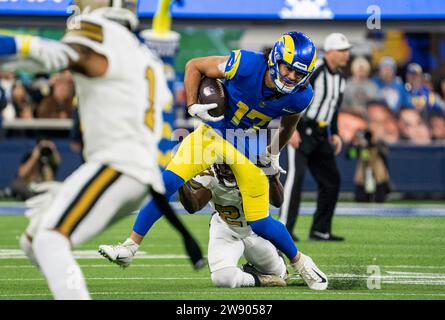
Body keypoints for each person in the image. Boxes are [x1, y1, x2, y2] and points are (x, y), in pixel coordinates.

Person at [99, 31, 329, 290]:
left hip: (246, 146)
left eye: (299, 74)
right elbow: (194, 66)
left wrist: (272, 153)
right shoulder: (247, 63)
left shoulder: (300, 95)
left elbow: (288, 126)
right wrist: (192, 104)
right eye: (288, 69)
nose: (291, 77)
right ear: (275, 59)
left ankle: (301, 262)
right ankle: (130, 246)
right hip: (212, 135)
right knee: (166, 182)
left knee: (260, 221)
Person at [18, 0, 201, 300]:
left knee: (50, 240)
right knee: (34, 240)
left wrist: (17, 46)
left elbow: (52, 56)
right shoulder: (143, 52)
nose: (78, 3)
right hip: (138, 168)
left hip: (121, 163)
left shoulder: (100, 30)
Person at [280, 33, 350, 242]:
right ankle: (284, 229)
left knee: (332, 180)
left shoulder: (341, 79)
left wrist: (335, 133)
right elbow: (291, 93)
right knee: (295, 178)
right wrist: (290, 129)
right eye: (342, 51)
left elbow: (334, 108)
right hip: (301, 128)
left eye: (347, 51)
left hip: (321, 133)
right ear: (330, 52)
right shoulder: (315, 70)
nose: (346, 55)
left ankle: (321, 229)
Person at [175, 164, 287, 288]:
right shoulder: (210, 174)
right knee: (222, 279)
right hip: (226, 228)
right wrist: (179, 180)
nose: (228, 171)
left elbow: (278, 201)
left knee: (281, 275)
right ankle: (258, 278)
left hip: (255, 231)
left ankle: (276, 258)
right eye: (224, 166)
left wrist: (272, 177)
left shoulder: (257, 164)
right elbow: (193, 206)